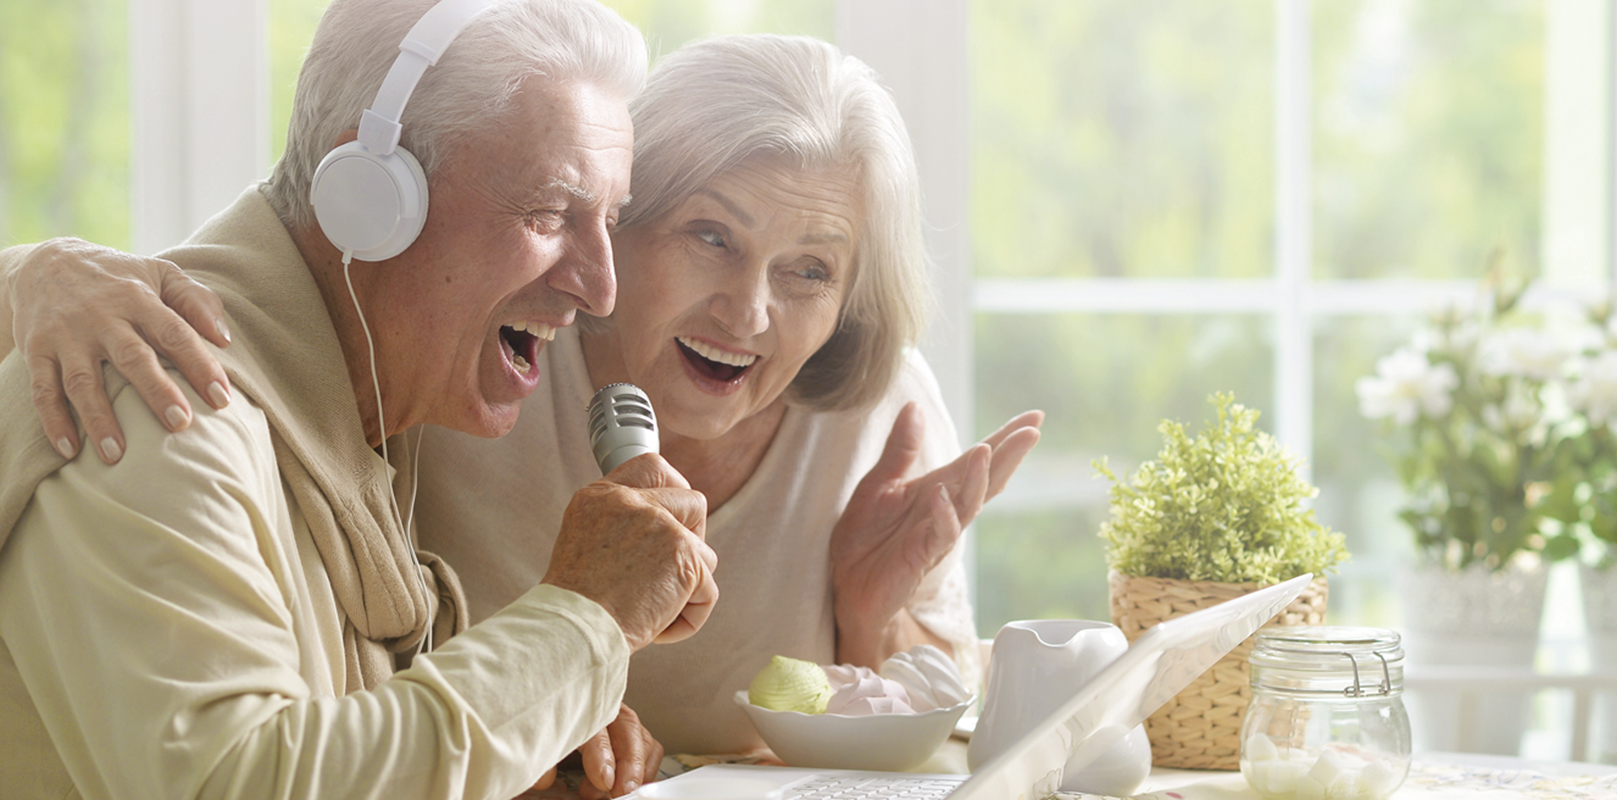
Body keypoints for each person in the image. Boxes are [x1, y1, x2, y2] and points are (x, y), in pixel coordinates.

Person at [0, 34, 1042, 757]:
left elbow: (942, 736)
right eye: (709, 236)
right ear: (622, 221)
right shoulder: (476, 364)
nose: (751, 312)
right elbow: (232, 308)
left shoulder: (872, 413)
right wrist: (32, 269)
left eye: (810, 270)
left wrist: (870, 617)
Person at [0, 1, 720, 798]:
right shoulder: (160, 402)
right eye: (551, 212)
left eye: (609, 221)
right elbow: (235, 785)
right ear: (370, 200)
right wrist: (585, 620)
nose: (601, 287)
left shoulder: (368, 417)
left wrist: (532, 730)